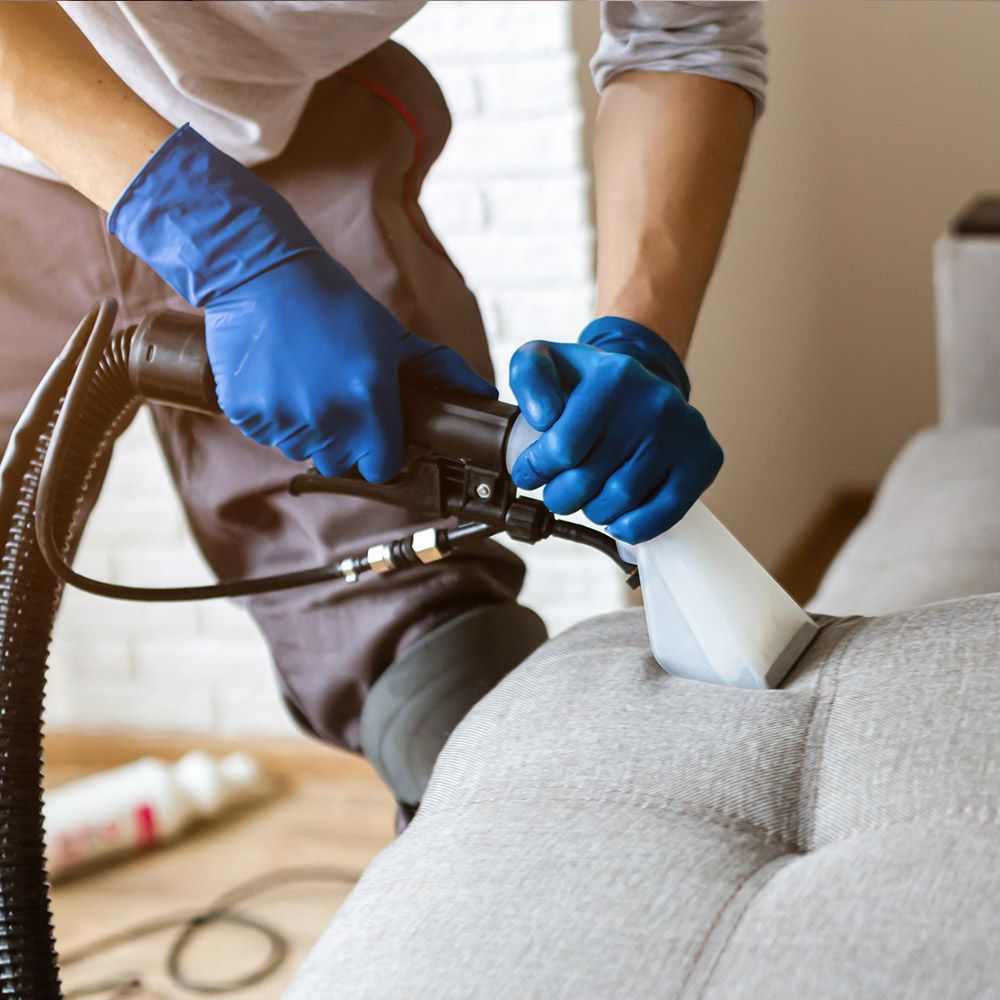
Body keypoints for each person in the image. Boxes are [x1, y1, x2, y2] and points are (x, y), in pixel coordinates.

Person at [0, 1, 766, 818]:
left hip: (284, 129)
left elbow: (684, 34)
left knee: (439, 657)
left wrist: (637, 337)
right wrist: (219, 237)